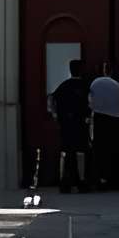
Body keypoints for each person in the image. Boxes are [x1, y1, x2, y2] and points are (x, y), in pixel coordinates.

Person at [45, 61, 89, 193]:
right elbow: (92, 103)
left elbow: (51, 100)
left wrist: (55, 115)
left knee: (65, 152)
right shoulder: (85, 86)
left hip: (65, 125)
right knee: (80, 152)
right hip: (80, 124)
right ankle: (81, 181)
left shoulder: (63, 86)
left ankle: (63, 181)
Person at [88, 61, 119, 192]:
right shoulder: (116, 84)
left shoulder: (95, 83)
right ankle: (114, 178)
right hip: (114, 117)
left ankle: (99, 179)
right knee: (114, 148)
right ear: (111, 71)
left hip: (99, 117)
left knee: (99, 149)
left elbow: (90, 101)